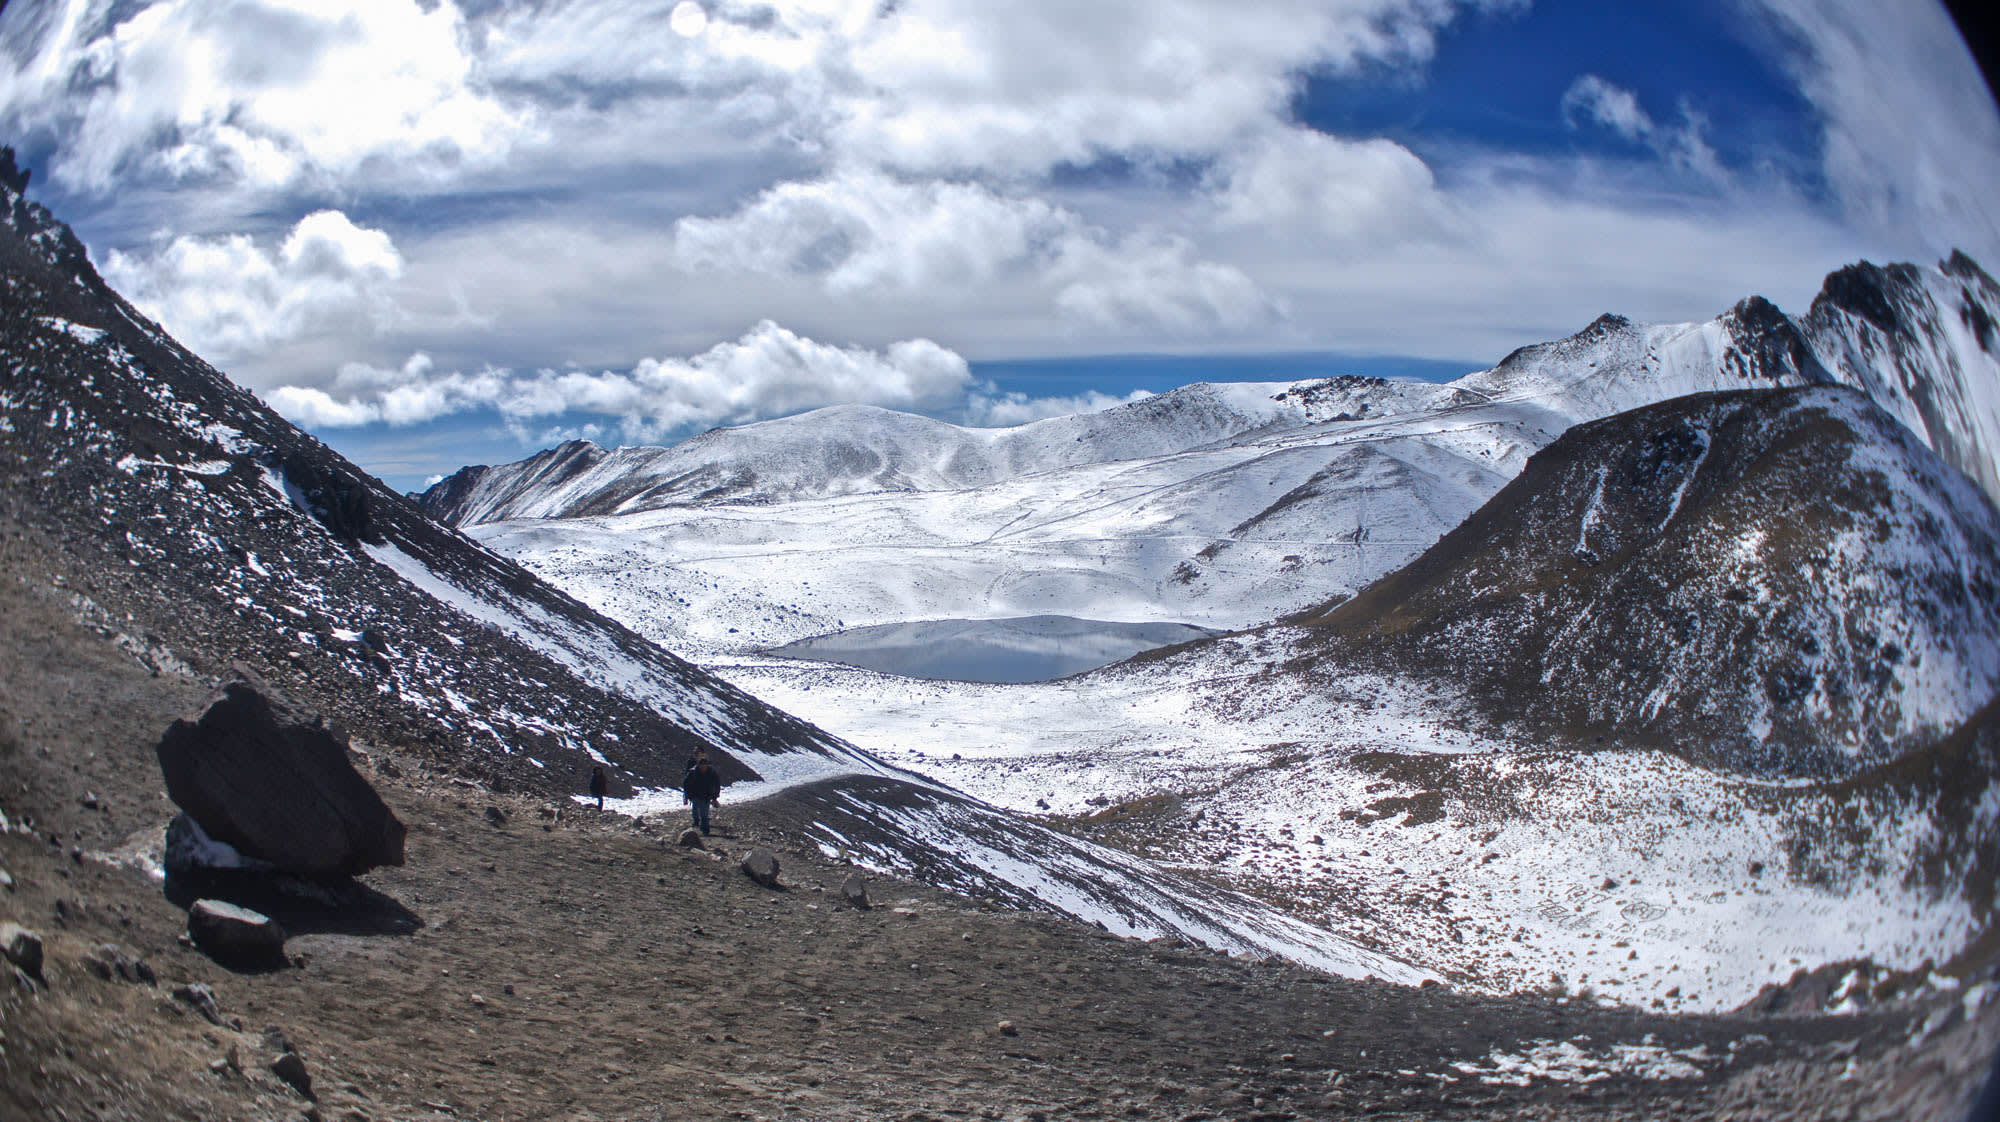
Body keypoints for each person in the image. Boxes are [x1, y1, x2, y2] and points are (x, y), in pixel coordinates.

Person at [683, 757, 721, 836]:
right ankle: (697, 822)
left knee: (704, 813)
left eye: (705, 765)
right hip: (695, 795)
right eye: (702, 765)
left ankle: (705, 830)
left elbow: (717, 784)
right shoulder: (693, 772)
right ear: (699, 765)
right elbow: (686, 784)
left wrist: (715, 796)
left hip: (706, 796)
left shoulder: (711, 773)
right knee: (695, 810)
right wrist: (687, 795)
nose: (703, 767)